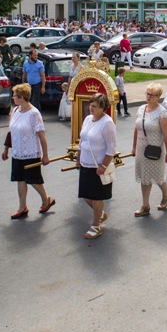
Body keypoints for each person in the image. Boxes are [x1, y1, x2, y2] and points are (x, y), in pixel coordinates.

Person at [1, 84, 52, 219]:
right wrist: (6, 148)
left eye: (15, 96)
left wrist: (45, 155)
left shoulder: (34, 113)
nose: (13, 98)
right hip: (17, 153)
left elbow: (41, 135)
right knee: (20, 180)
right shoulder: (15, 110)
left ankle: (46, 200)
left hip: (31, 152)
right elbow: (11, 131)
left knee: (34, 180)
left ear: (22, 98)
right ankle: (22, 207)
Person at [76, 93, 117, 239]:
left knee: (96, 197)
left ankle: (96, 225)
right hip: (85, 163)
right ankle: (100, 214)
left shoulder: (107, 123)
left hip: (98, 167)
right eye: (90, 105)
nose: (90, 108)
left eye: (94, 106)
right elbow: (82, 141)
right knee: (86, 196)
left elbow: (111, 147)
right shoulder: (88, 119)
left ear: (102, 108)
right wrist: (78, 158)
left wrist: (103, 166)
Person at [131, 83, 167, 216]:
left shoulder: (162, 113)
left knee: (158, 177)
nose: (148, 97)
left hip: (155, 149)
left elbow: (166, 134)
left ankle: (166, 196)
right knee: (144, 177)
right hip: (141, 149)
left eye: (152, 95)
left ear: (158, 96)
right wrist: (134, 147)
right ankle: (145, 206)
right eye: (147, 94)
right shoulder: (141, 109)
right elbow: (137, 129)